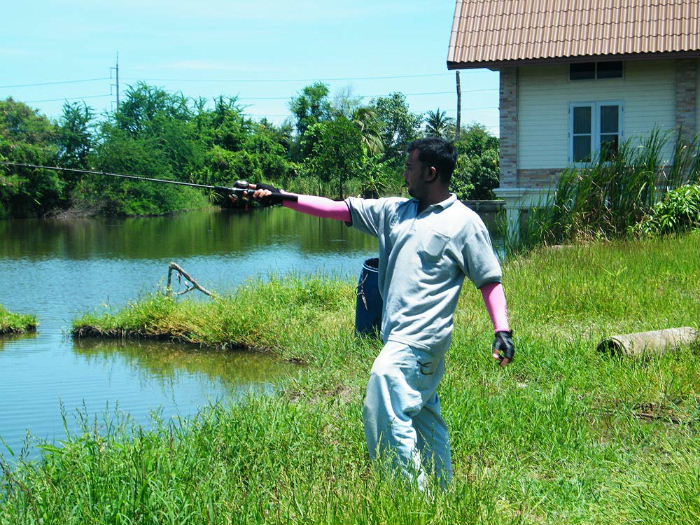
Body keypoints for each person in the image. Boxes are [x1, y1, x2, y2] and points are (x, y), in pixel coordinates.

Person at [243, 137, 514, 488]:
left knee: (383, 402)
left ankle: (410, 499)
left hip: (420, 341)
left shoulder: (465, 223)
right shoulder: (395, 211)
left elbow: (489, 280)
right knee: (424, 416)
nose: (405, 174)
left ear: (431, 173)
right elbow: (335, 208)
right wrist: (281, 196)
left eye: (409, 167)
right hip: (400, 338)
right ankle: (443, 493)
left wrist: (502, 331)